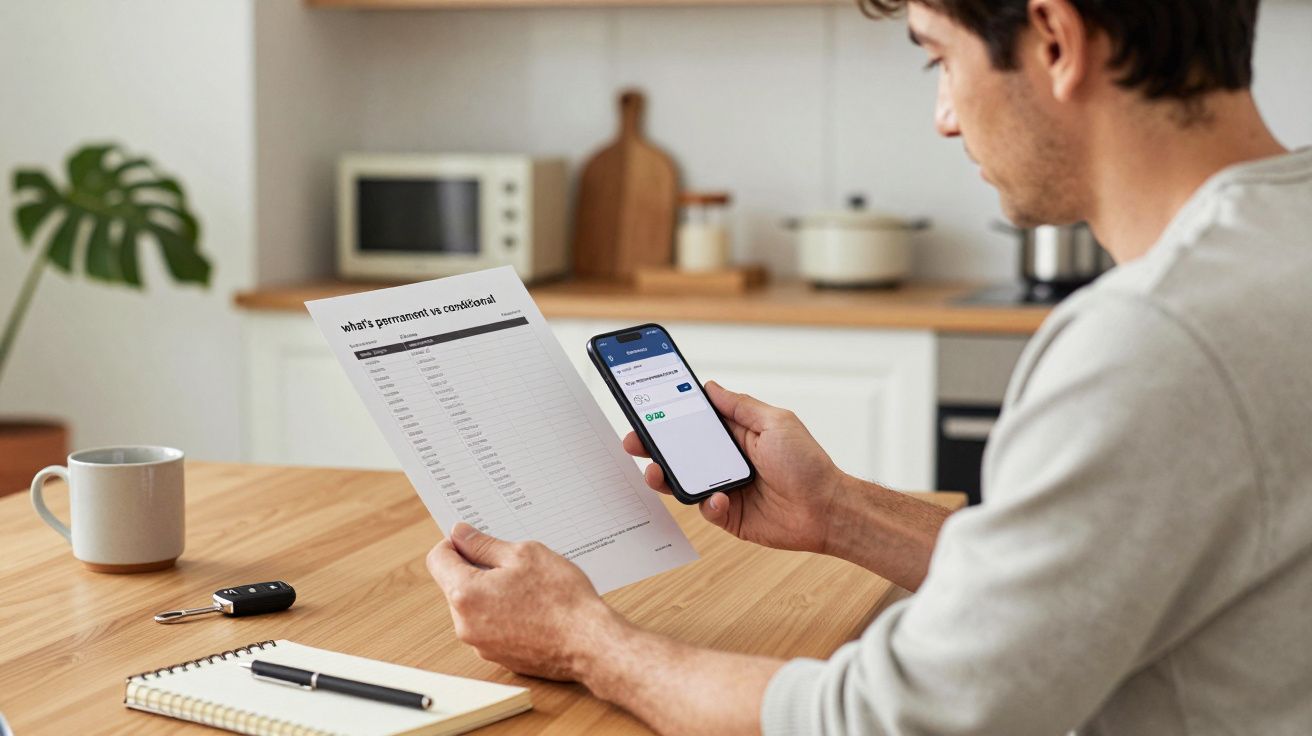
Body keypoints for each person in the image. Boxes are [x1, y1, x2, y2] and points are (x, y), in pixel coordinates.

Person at [426, 0, 1312, 733]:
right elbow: (1081, 590)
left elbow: (893, 721)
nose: (946, 117)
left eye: (938, 60)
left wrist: (584, 640)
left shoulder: (1154, 342)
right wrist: (839, 511)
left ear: (1054, 40)